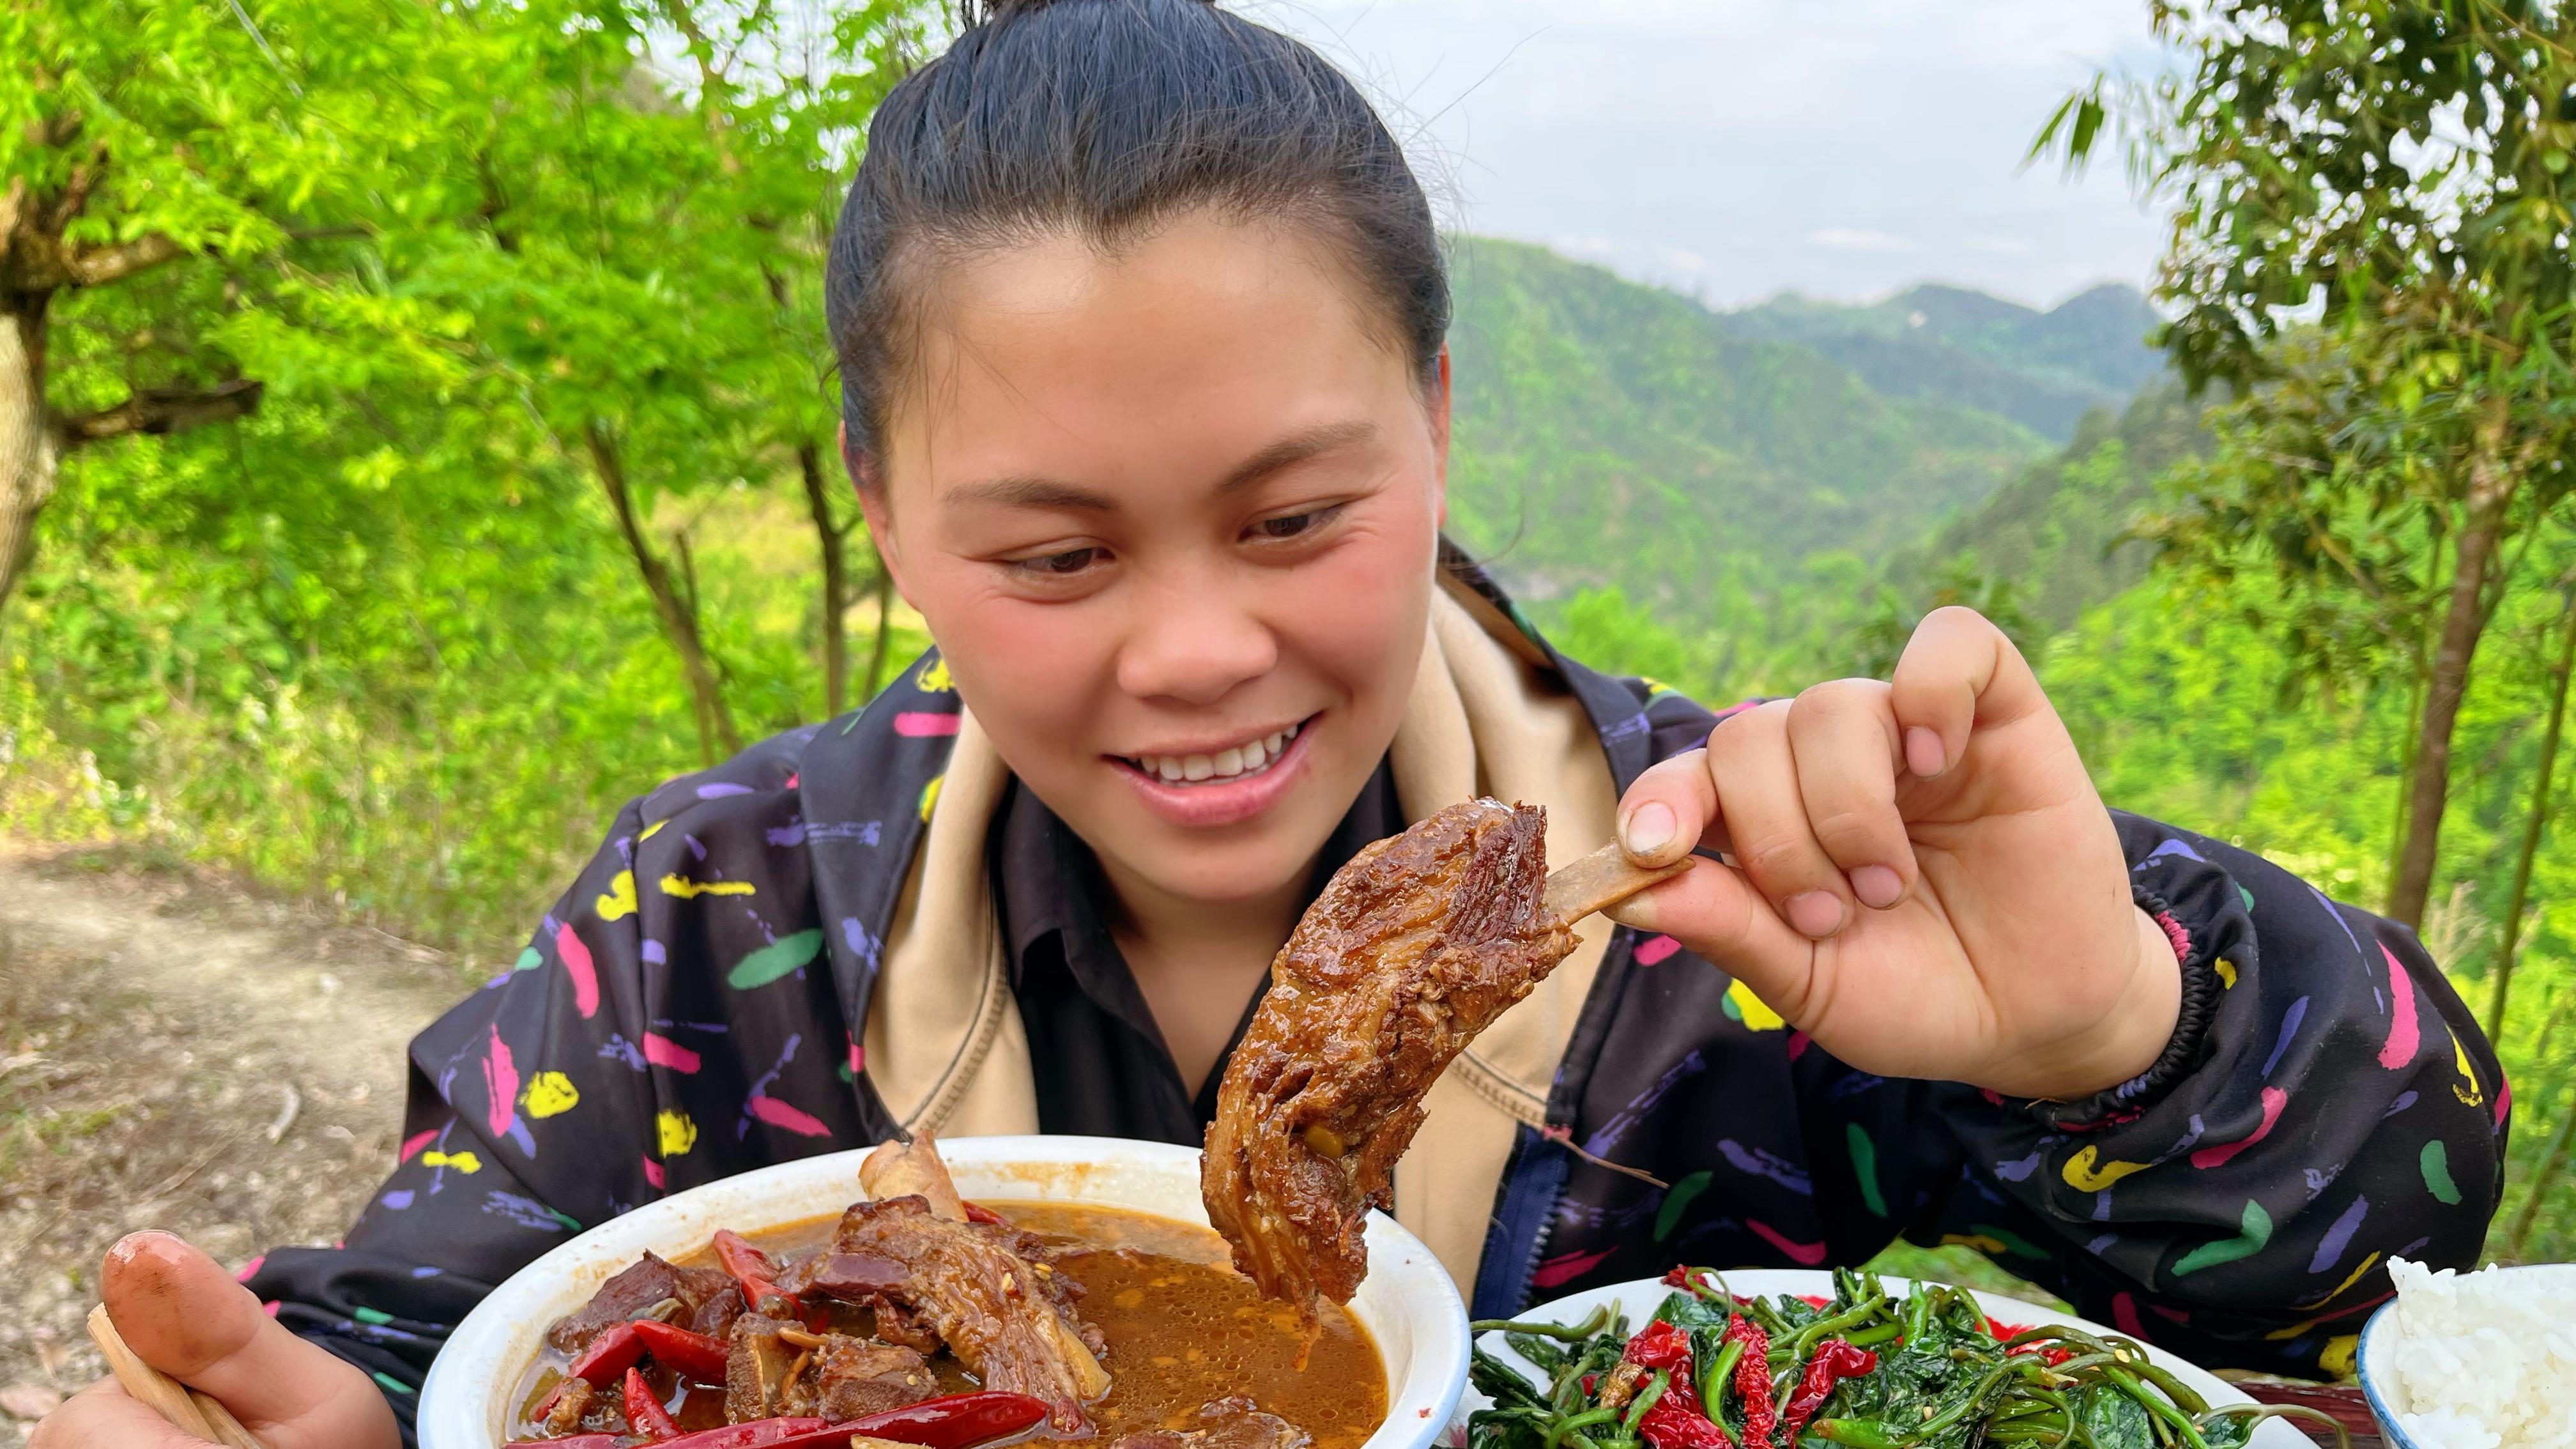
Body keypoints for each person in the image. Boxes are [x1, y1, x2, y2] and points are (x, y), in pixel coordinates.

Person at [33, 1, 2508, 1445]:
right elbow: (447, 1300)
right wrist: (333, 1401)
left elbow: (2373, 1282)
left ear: (1436, 421)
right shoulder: (718, 908)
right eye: (1054, 555)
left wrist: (2113, 1033)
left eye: (1299, 513)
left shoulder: (1760, 908)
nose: (1197, 650)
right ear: (887, 517)